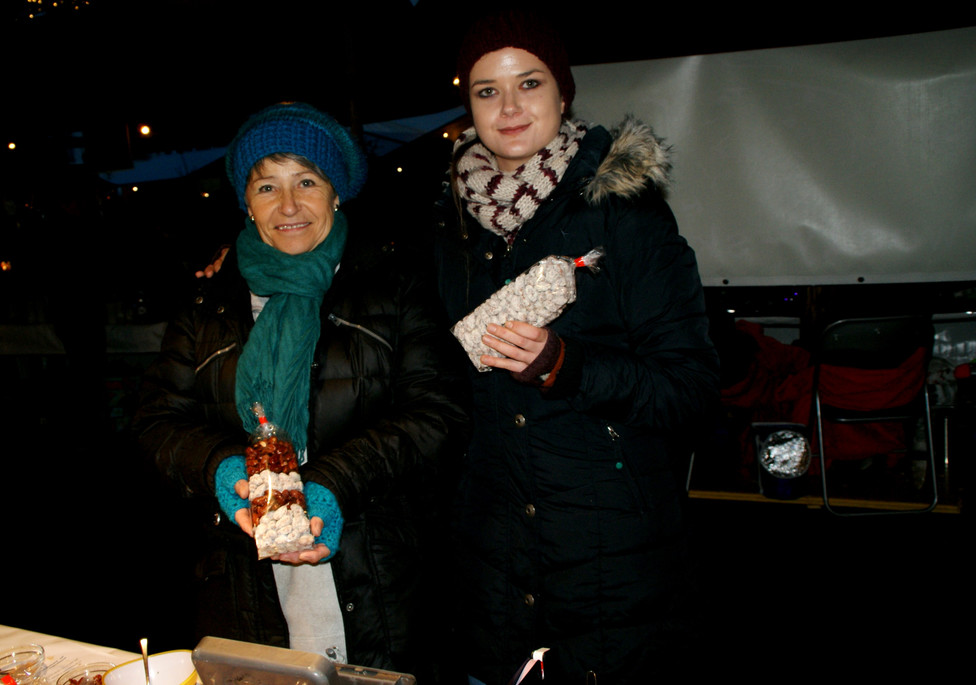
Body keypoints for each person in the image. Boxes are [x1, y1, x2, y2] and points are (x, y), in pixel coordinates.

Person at [134, 102, 470, 677]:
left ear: (336, 193)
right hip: (242, 583)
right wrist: (220, 469)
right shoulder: (208, 303)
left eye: (306, 182)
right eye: (267, 186)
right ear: (247, 201)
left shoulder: (394, 285)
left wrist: (333, 485)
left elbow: (438, 411)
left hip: (377, 580)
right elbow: (155, 422)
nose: (287, 205)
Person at [433, 11, 719, 683]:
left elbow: (692, 389)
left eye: (528, 83)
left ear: (563, 94)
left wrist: (567, 365)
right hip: (494, 570)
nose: (508, 107)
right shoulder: (449, 224)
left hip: (612, 562)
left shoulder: (625, 212)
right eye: (486, 90)